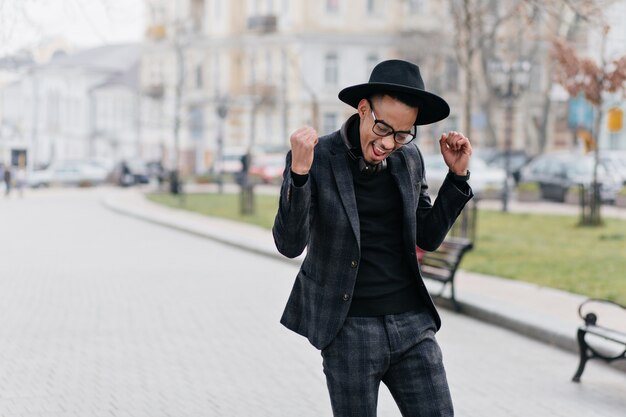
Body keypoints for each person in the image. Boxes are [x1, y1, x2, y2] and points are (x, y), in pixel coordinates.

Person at [272, 60, 473, 417]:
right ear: (363, 109)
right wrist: (299, 174)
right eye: (382, 127)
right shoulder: (318, 159)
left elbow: (427, 236)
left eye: (401, 134)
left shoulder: (409, 159)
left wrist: (456, 179)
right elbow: (289, 245)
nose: (387, 143)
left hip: (412, 326)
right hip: (349, 329)